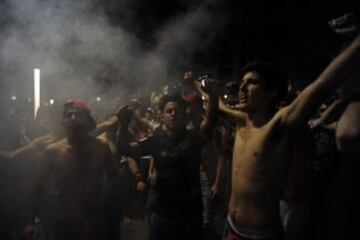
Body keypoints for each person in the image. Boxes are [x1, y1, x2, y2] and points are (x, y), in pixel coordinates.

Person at [210, 26, 360, 239]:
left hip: (260, 235)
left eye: (251, 83)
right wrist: (203, 90)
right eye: (242, 83)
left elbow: (322, 85)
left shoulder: (279, 124)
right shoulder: (241, 121)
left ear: (270, 92)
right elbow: (218, 108)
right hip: (231, 227)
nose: (242, 88)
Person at [116, 81, 219, 240]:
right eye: (168, 111)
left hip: (190, 214)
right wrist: (123, 125)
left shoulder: (193, 137)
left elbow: (210, 119)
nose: (173, 114)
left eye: (177, 111)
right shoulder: (155, 139)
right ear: (162, 116)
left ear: (183, 115)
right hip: (162, 214)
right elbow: (125, 149)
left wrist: (212, 95)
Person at [23, 99, 121, 240]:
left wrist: (108, 209)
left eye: (78, 115)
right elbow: (36, 187)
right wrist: (30, 222)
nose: (73, 119)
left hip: (95, 223)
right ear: (64, 122)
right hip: (65, 223)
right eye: (69, 115)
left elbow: (114, 180)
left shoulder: (101, 147)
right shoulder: (53, 151)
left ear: (88, 120)